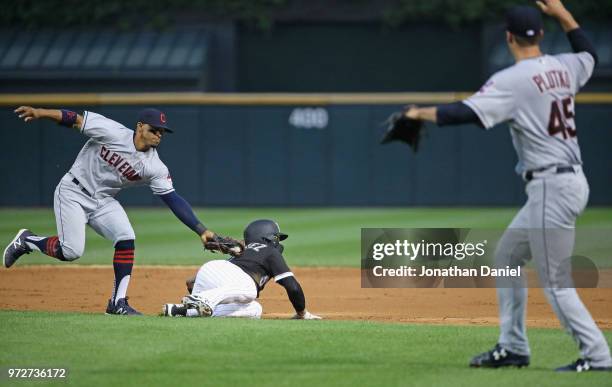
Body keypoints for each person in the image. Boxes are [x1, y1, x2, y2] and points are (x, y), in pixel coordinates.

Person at [401, 0, 611, 372]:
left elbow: (465, 112)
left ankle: (598, 357)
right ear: (542, 34)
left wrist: (419, 113)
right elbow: (589, 52)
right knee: (508, 259)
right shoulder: (564, 66)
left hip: (551, 185)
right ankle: (513, 347)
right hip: (566, 181)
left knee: (556, 282)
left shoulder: (512, 80)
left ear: (509, 37)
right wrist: (562, 12)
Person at [4, 106, 227, 315]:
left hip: (103, 201)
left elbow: (172, 199)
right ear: (140, 126)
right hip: (73, 190)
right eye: (154, 130)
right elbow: (75, 119)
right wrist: (40, 112)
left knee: (126, 238)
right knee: (71, 251)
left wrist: (201, 230)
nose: (159, 135)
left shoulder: (155, 166)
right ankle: (28, 240)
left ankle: (117, 302)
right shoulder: (112, 132)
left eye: (162, 132)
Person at [162, 219, 322, 320]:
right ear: (264, 237)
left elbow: (191, 282)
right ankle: (202, 300)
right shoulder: (269, 251)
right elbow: (292, 286)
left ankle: (182, 311)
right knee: (250, 289)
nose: (278, 242)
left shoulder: (243, 253)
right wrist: (302, 313)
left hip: (210, 272)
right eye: (276, 237)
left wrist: (197, 287)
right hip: (231, 279)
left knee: (254, 309)